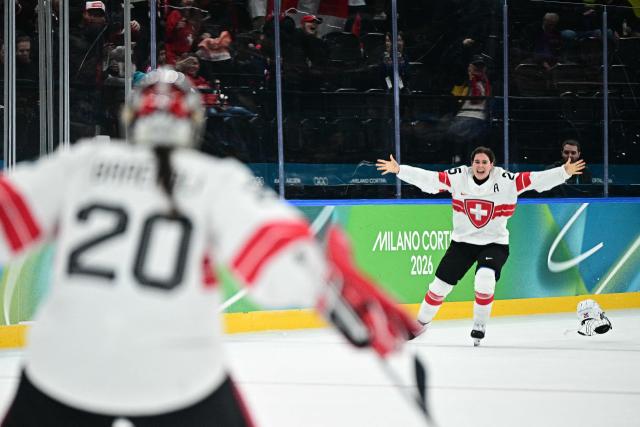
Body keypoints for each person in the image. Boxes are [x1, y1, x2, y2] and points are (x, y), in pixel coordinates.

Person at [0, 67, 418, 426]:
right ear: (194, 123)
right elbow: (279, 263)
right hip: (178, 371)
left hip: (65, 365)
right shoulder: (216, 179)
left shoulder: (83, 162)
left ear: (130, 119)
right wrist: (330, 291)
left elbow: (7, 213)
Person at [376, 146, 585, 346]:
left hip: (494, 244)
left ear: (492, 165)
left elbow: (536, 180)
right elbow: (430, 180)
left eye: (485, 162)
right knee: (438, 287)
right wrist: (399, 170)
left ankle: (479, 325)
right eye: (477, 161)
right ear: (471, 164)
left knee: (484, 280)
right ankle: (418, 325)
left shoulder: (506, 181)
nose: (480, 165)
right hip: (462, 244)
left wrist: (563, 172)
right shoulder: (459, 177)